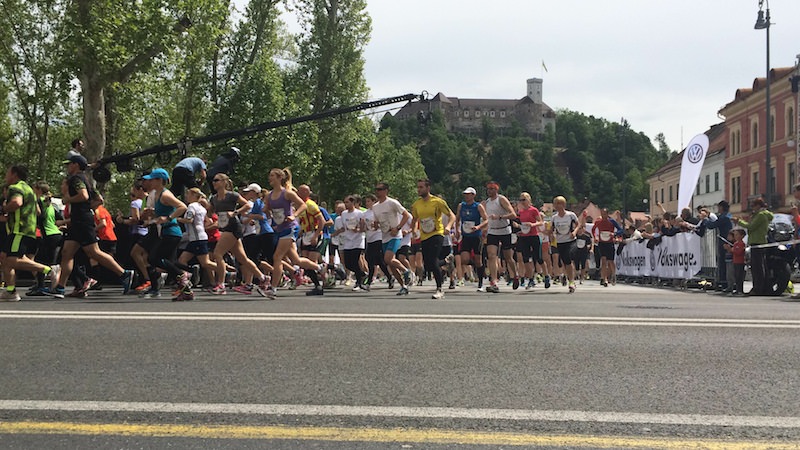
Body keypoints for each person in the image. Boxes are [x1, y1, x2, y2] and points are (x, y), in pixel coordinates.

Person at [53, 155, 133, 299]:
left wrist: (69, 200)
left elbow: (83, 196)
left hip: (82, 222)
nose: (67, 167)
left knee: (94, 252)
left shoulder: (76, 179)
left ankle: (124, 274)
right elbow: (99, 200)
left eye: (69, 164)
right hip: (78, 221)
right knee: (66, 253)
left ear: (76, 165)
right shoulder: (86, 180)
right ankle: (60, 288)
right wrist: (86, 207)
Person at [263, 168, 327, 297]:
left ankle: (273, 289)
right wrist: (267, 213)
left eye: (272, 176)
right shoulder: (269, 195)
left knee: (277, 257)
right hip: (279, 229)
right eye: (269, 176)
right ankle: (320, 267)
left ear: (280, 178)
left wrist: (294, 215)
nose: (270, 178)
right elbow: (267, 210)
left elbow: (303, 205)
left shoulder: (287, 193)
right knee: (296, 260)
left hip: (290, 228)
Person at [0, 165, 58, 301]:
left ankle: (49, 270)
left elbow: (17, 202)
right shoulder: (29, 190)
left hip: (19, 229)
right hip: (29, 230)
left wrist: (5, 209)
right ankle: (11, 291)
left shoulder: (15, 188)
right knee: (7, 260)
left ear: (14, 174)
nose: (6, 176)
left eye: (8, 173)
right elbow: (37, 211)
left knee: (11, 260)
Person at [208, 173, 268, 296]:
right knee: (242, 259)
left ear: (224, 182)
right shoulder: (213, 198)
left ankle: (221, 284)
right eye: (213, 181)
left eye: (216, 180)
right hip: (224, 227)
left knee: (217, 253)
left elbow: (247, 205)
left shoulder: (232, 195)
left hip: (233, 227)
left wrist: (235, 212)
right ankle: (263, 278)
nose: (214, 183)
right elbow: (210, 211)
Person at [138, 168, 194, 300]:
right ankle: (185, 289)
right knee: (167, 261)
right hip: (165, 232)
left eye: (152, 179)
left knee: (154, 258)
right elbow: (162, 213)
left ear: (159, 180)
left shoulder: (165, 195)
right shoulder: (157, 194)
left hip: (172, 232)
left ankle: (182, 275)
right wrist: (152, 216)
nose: (150, 182)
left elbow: (182, 206)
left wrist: (169, 218)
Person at [410, 179, 454, 299]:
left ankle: (439, 289)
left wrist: (448, 227)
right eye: (418, 187)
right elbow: (414, 219)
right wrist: (413, 231)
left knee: (433, 261)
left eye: (421, 187)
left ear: (428, 188)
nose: (419, 190)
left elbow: (452, 216)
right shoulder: (416, 204)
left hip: (437, 234)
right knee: (428, 265)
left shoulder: (437, 202)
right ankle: (446, 261)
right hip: (424, 236)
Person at [372, 182, 413, 295]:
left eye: (380, 189)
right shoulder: (375, 207)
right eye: (376, 189)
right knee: (390, 263)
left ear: (386, 191)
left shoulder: (392, 202)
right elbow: (377, 222)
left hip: (395, 235)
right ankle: (403, 286)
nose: (377, 192)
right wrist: (375, 226)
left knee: (388, 259)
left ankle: (406, 271)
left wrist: (398, 228)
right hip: (384, 235)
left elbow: (406, 215)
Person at [481, 181, 519, 293]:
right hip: (492, 231)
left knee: (508, 257)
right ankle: (494, 281)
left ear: (496, 190)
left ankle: (515, 275)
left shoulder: (501, 199)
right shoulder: (486, 203)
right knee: (491, 256)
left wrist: (500, 217)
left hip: (504, 230)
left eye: (492, 189)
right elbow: (485, 218)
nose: (489, 191)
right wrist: (484, 229)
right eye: (488, 189)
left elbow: (513, 214)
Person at [735, 197, 773, 296]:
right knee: (759, 266)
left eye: (753, 206)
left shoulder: (760, 215)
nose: (752, 208)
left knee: (757, 268)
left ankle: (758, 288)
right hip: (758, 242)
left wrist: (739, 221)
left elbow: (751, 226)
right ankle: (762, 287)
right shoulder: (760, 215)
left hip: (757, 242)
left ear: (758, 206)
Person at [454, 187, 487, 292]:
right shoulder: (461, 206)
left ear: (473, 195)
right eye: (465, 194)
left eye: (468, 194)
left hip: (476, 236)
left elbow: (486, 220)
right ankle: (475, 266)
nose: (466, 196)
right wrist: (457, 230)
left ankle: (480, 281)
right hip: (466, 236)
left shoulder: (478, 206)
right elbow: (457, 219)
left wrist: (478, 227)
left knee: (478, 260)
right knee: (464, 259)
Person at [699, 200, 733, 292]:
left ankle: (724, 283)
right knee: (724, 263)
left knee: (723, 263)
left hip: (724, 241)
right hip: (727, 241)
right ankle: (725, 282)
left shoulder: (724, 217)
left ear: (721, 207)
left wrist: (705, 219)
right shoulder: (729, 215)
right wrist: (708, 215)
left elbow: (712, 225)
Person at [335, 194, 367, 290]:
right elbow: (344, 227)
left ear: (353, 202)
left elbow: (363, 228)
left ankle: (358, 282)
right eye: (345, 202)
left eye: (347, 202)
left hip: (357, 240)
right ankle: (362, 274)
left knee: (355, 260)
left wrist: (358, 229)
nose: (346, 204)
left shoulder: (359, 213)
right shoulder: (344, 214)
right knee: (348, 263)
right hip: (348, 240)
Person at [514, 192, 543, 291]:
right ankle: (530, 279)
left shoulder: (533, 210)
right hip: (524, 236)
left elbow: (540, 222)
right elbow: (522, 225)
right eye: (520, 200)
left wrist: (533, 224)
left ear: (528, 200)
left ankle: (546, 275)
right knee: (525, 259)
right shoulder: (521, 212)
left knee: (538, 258)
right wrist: (519, 229)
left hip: (534, 235)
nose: (522, 202)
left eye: (524, 200)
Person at [551, 195, 579, 293]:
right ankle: (567, 276)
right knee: (565, 261)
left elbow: (578, 225)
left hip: (570, 240)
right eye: (556, 204)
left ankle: (571, 281)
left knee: (568, 258)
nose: (558, 206)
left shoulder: (571, 215)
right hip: (560, 241)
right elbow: (551, 229)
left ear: (564, 205)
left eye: (560, 204)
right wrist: (552, 235)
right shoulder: (554, 218)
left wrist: (574, 232)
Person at [592, 208, 622, 287]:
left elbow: (620, 230)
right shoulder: (598, 221)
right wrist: (595, 237)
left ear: (607, 214)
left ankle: (613, 275)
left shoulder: (611, 221)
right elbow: (593, 229)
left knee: (610, 261)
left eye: (604, 214)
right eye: (602, 213)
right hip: (602, 243)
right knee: (603, 260)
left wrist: (614, 234)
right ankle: (604, 278)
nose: (603, 215)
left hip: (609, 243)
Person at [723, 228, 747, 297]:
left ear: (742, 236)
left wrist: (730, 249)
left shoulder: (741, 244)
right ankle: (737, 289)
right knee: (736, 276)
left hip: (740, 262)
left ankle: (740, 290)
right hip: (735, 262)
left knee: (739, 277)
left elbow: (738, 252)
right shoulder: (736, 243)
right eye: (735, 235)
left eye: (737, 235)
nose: (735, 236)